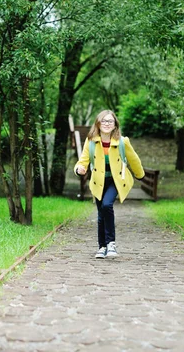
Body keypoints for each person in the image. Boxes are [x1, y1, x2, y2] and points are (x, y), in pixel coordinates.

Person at [74, 110, 145, 259]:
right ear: (98, 124)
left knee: (107, 205)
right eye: (104, 121)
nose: (107, 124)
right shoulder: (91, 141)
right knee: (101, 214)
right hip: (98, 181)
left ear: (115, 125)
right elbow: (83, 160)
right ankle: (102, 247)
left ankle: (111, 243)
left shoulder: (122, 142)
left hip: (115, 180)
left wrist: (140, 175)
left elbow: (134, 159)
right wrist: (79, 169)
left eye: (110, 121)